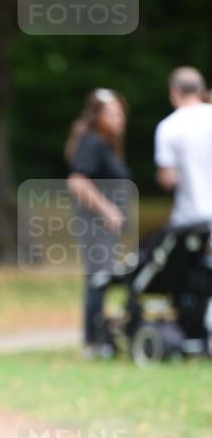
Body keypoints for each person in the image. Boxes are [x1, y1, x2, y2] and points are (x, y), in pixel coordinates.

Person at [65, 88, 132, 358]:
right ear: (98, 117)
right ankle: (94, 343)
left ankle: (101, 339)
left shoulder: (106, 145)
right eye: (112, 114)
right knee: (98, 278)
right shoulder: (92, 142)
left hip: (105, 229)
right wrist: (108, 211)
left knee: (100, 278)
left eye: (121, 114)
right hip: (96, 226)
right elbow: (77, 181)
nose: (119, 119)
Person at [155, 66, 212, 227]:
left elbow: (169, 179)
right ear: (201, 90)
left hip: (190, 218)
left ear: (174, 91)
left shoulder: (168, 127)